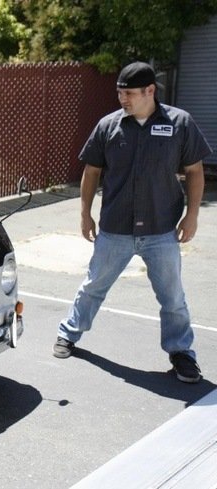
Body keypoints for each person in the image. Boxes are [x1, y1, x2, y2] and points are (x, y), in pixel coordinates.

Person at [53, 61, 213, 384]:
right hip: (115, 228)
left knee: (173, 298)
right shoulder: (108, 126)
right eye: (119, 93)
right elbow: (92, 171)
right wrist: (85, 212)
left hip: (161, 229)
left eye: (128, 94)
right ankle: (69, 333)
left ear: (150, 91)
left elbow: (195, 171)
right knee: (93, 287)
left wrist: (192, 214)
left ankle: (182, 353)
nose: (122, 100)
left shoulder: (179, 123)